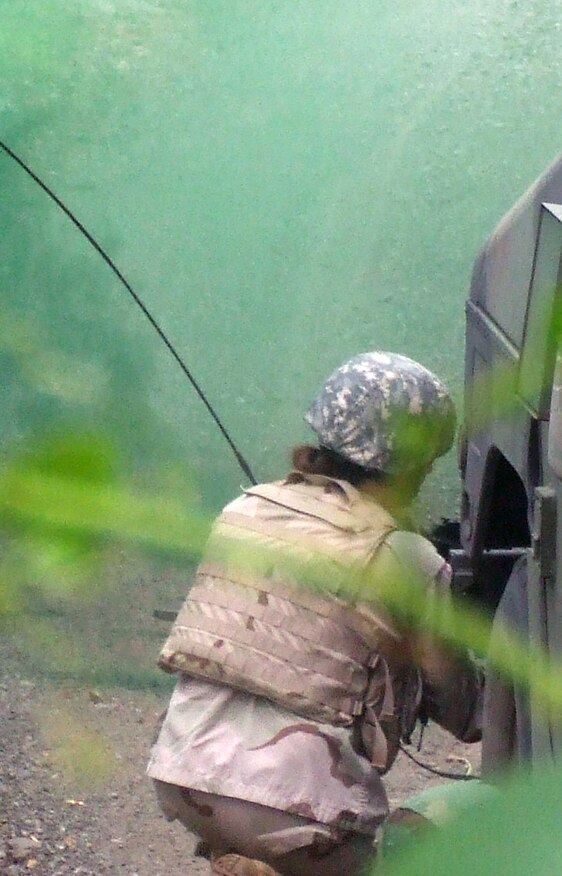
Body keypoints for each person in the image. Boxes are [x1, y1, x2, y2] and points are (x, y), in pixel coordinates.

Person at [148, 354, 481, 876]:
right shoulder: (408, 559)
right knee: (455, 825)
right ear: (416, 464)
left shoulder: (242, 511)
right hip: (301, 811)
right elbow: (466, 714)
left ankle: (243, 857)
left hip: (182, 773)